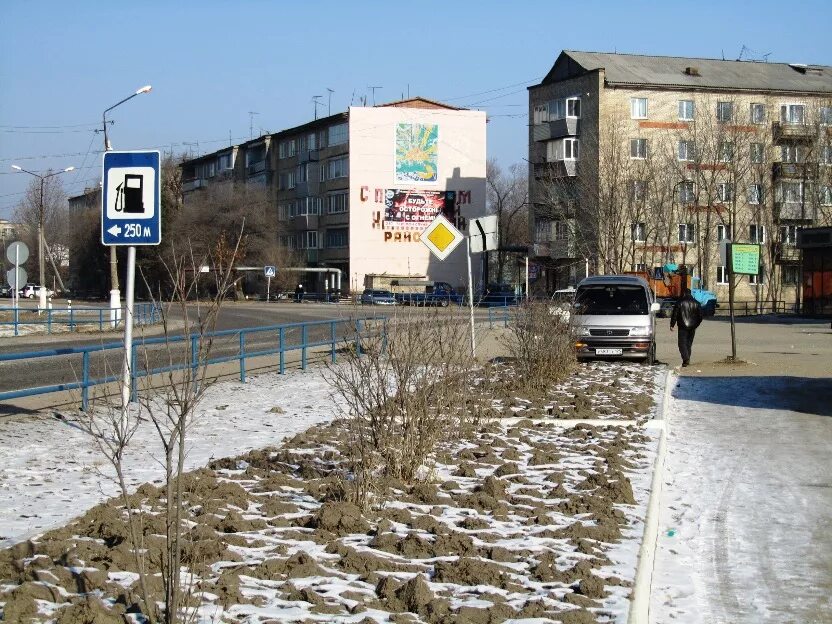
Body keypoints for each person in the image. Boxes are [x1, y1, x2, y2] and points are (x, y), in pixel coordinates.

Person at [670, 288, 703, 367]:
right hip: (692, 327)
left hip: (682, 326)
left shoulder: (679, 302)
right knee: (688, 343)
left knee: (682, 343)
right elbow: (700, 316)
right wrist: (696, 324)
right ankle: (687, 360)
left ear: (684, 293)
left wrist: (672, 325)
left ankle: (686, 358)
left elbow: (675, 314)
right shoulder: (697, 303)